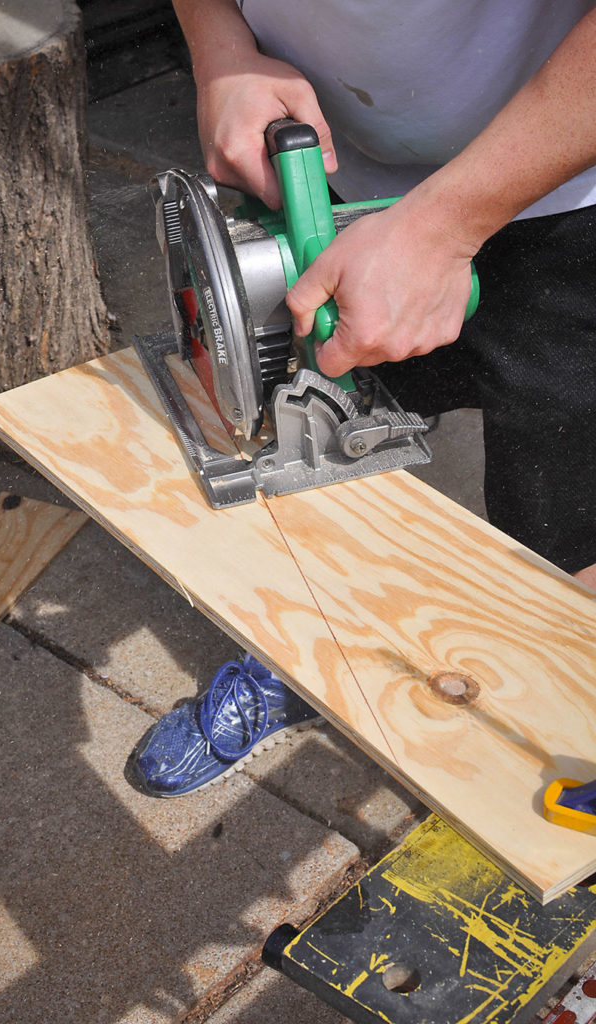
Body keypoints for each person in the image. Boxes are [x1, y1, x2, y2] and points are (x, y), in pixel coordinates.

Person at [131, 0, 596, 797]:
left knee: (562, 535)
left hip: (561, 188)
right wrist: (221, 49)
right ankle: (310, 649)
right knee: (300, 456)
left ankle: (534, 729)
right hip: (309, 163)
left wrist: (448, 225)